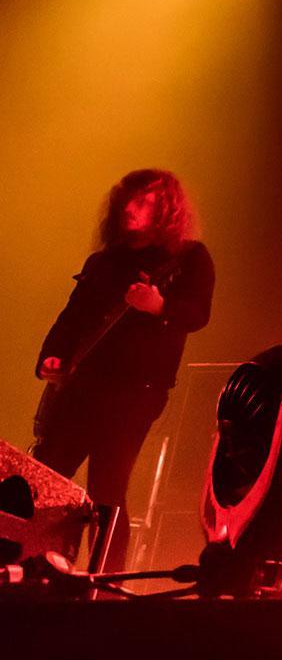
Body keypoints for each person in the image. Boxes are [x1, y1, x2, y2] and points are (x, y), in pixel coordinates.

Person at [34, 169, 215, 568]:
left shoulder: (189, 258)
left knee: (108, 487)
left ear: (166, 210)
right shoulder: (104, 262)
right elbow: (72, 317)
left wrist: (160, 307)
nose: (131, 209)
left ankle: (106, 580)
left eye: (144, 202)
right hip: (83, 386)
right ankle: (38, 567)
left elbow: (198, 313)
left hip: (137, 390)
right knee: (48, 480)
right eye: (128, 200)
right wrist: (52, 356)